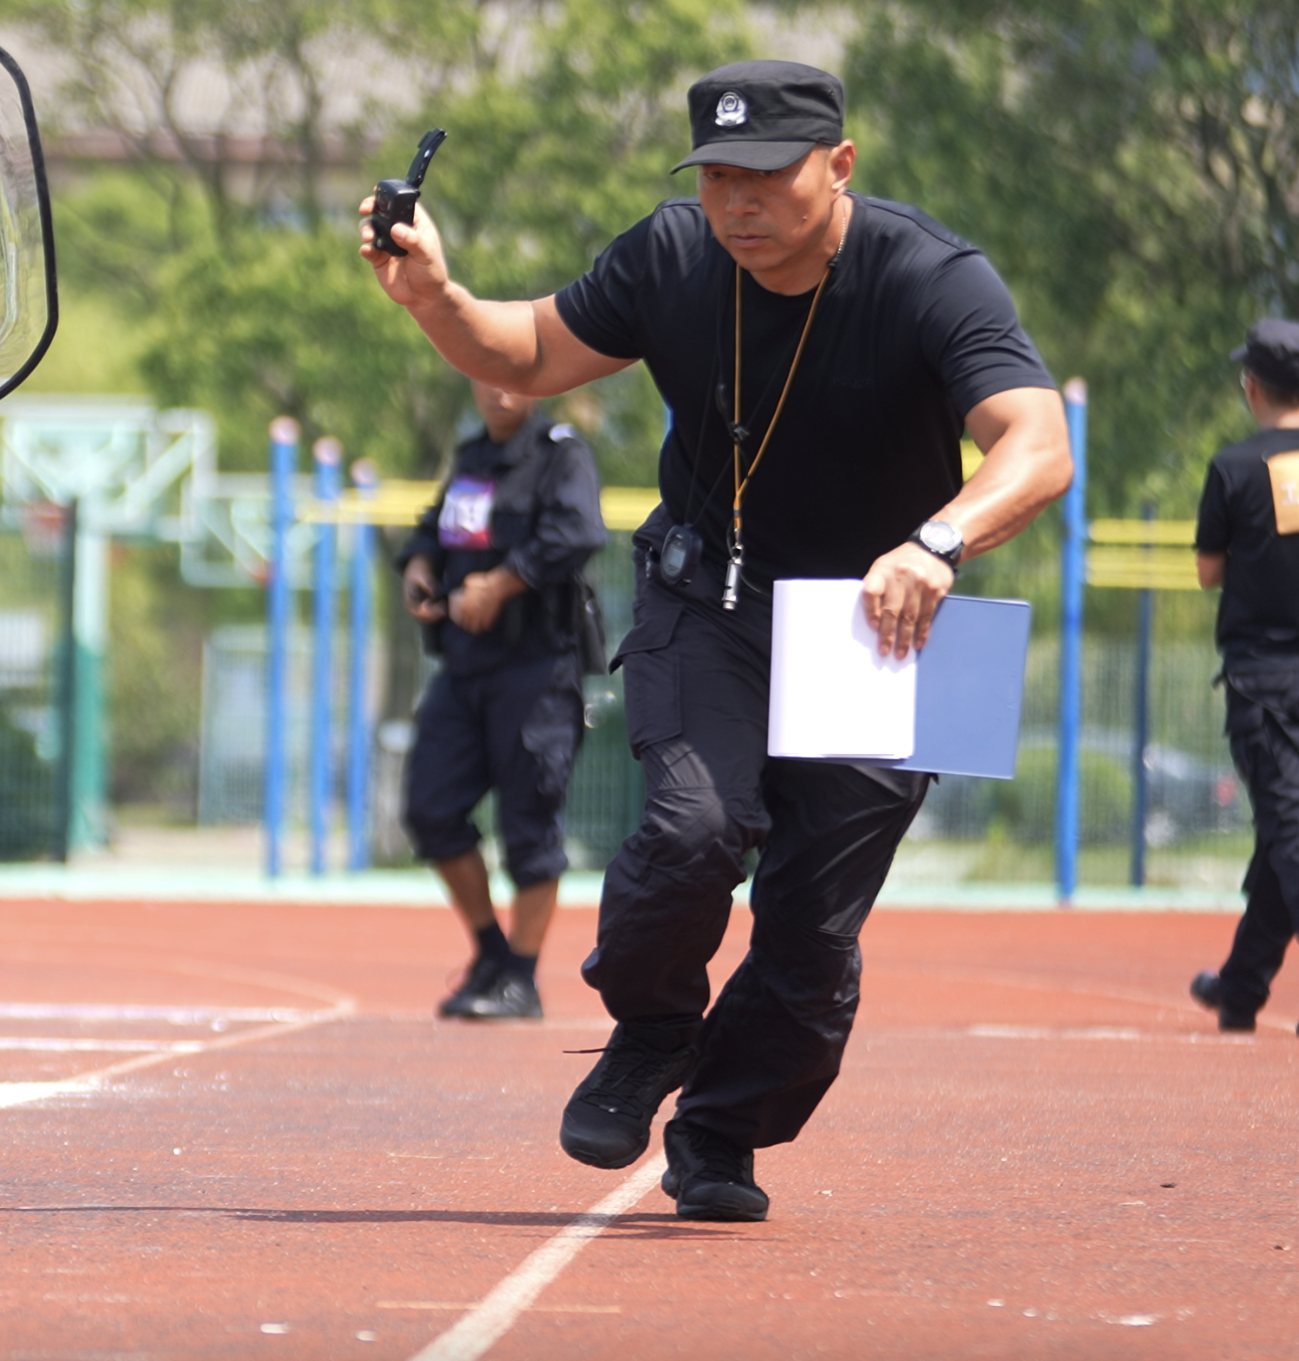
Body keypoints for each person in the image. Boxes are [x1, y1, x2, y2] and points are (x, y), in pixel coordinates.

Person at [359, 59, 1071, 1222]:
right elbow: (527, 354)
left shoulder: (930, 277)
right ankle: (649, 1031)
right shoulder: (671, 256)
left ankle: (722, 1127)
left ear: (838, 166)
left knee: (812, 930)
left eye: (764, 175)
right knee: (693, 828)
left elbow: (1038, 443)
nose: (736, 202)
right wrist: (433, 292)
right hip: (712, 597)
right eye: (716, 177)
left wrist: (936, 542)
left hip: (880, 621)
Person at [397, 378, 605, 1022]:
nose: (498, 390)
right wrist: (418, 564)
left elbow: (578, 532)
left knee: (530, 829)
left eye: (514, 376)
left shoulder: (560, 453)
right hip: (464, 670)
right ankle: (491, 954)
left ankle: (522, 977)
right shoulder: (471, 457)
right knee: (430, 810)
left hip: (536, 671)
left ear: (537, 386)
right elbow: (435, 528)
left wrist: (502, 584)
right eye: (484, 375)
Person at [1186, 319, 1299, 1036]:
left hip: (1265, 680)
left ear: (1250, 385)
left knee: (1289, 829)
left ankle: (1238, 986)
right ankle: (1239, 988)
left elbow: (1207, 571)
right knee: (1281, 837)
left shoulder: (1233, 467)